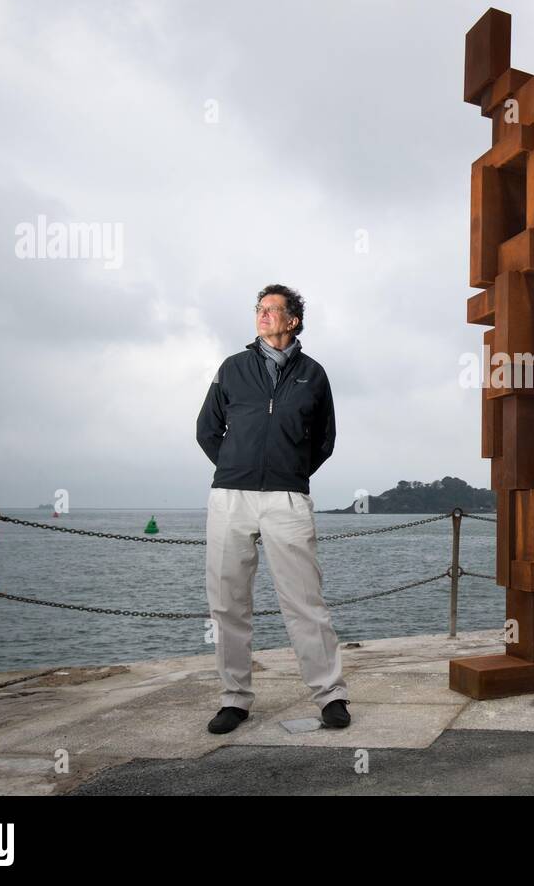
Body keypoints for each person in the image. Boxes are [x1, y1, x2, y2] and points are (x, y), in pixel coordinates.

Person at [195, 284, 349, 734]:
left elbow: (325, 439)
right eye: (259, 309)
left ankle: (330, 695)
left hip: (287, 499)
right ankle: (234, 699)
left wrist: (289, 472)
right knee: (227, 603)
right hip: (230, 498)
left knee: (305, 601)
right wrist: (236, 466)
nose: (262, 316)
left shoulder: (314, 374)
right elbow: (207, 430)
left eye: (271, 310)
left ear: (292, 320)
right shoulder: (232, 368)